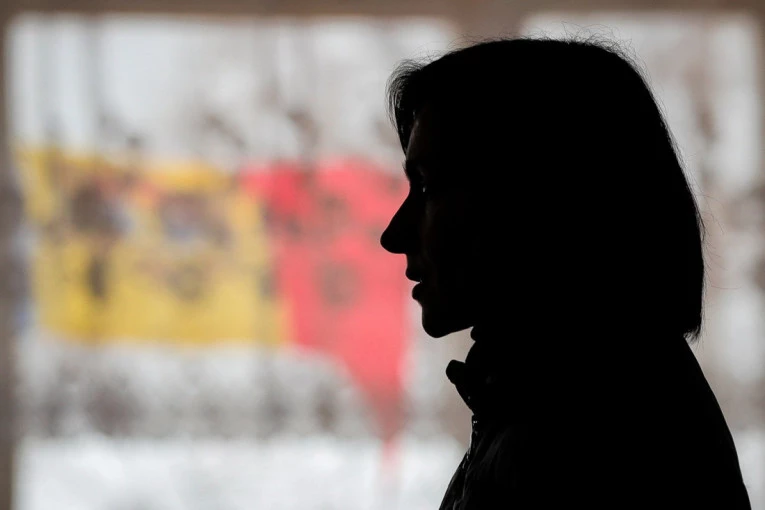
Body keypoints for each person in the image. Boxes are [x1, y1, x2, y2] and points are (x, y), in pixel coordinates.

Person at [379, 37, 752, 509]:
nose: (394, 234)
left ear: (536, 196)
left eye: (427, 187)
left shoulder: (580, 436)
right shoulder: (577, 396)